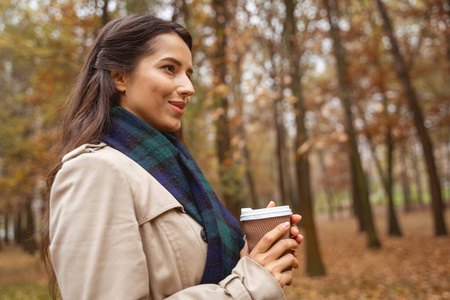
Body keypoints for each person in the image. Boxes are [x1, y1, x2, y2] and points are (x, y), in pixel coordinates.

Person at [43, 14, 303, 300]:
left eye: (189, 74)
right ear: (119, 76)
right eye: (170, 68)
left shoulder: (170, 171)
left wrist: (252, 261)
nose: (188, 87)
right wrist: (247, 288)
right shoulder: (92, 172)